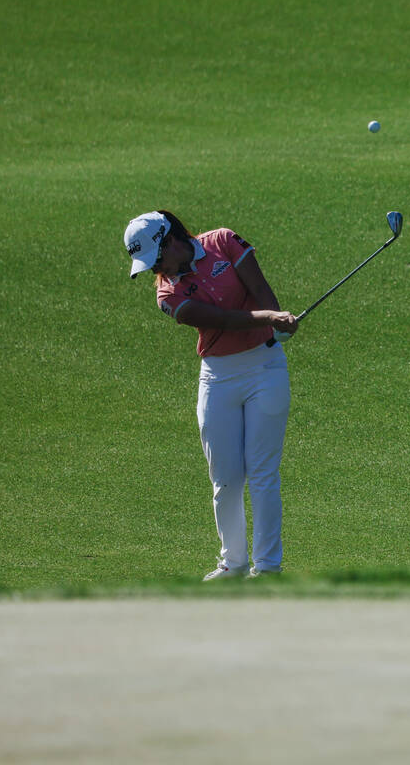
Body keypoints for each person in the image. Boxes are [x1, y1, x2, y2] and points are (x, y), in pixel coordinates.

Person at [124, 210, 299, 580]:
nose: (157, 270)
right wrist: (269, 317)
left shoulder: (223, 240)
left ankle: (267, 567)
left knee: (262, 471)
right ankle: (233, 563)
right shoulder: (167, 295)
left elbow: (258, 286)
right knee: (225, 477)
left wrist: (277, 319)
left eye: (156, 259)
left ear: (171, 240)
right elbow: (217, 319)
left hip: (265, 368)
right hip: (218, 378)